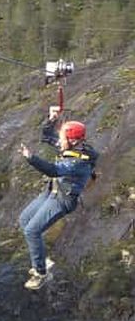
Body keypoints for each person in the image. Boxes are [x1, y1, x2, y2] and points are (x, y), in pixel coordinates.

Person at [18, 106, 98, 290]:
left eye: (62, 138)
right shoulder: (72, 146)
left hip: (63, 199)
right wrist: (52, 118)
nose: (59, 141)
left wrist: (30, 157)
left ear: (73, 140)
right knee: (24, 220)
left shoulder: (78, 161)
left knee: (31, 231)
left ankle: (41, 273)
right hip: (52, 191)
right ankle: (41, 257)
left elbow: (53, 170)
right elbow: (47, 136)